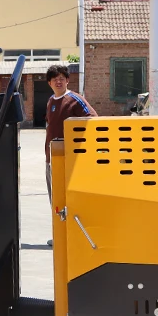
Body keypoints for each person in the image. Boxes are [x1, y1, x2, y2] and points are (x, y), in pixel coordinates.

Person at [44, 65, 97, 245]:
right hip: (52, 159)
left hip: (68, 160)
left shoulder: (74, 99)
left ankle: (71, 236)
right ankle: (60, 235)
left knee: (68, 199)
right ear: (49, 83)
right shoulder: (51, 101)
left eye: (62, 78)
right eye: (54, 79)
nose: (58, 81)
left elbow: (92, 119)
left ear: (67, 80)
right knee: (56, 200)